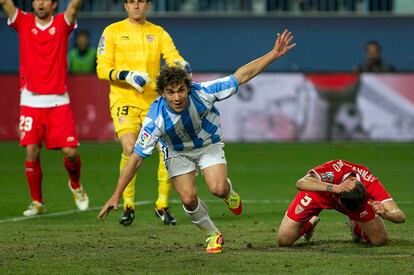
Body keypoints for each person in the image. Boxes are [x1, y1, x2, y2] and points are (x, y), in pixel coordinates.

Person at [98, 29, 296, 253]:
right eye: (171, 92)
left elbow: (241, 76)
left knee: (217, 188)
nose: (177, 97)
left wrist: (273, 54)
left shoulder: (203, 92)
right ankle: (213, 234)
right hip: (176, 152)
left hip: (207, 144)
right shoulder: (155, 119)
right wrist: (116, 195)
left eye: (181, 90)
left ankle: (228, 192)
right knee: (188, 199)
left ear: (188, 87)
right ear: (162, 93)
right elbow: (135, 158)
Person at [96, 0, 191, 227]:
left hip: (154, 102)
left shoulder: (158, 33)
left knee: (165, 148)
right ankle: (128, 205)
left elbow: (172, 56)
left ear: (148, 5)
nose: (136, 5)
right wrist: (126, 75)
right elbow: (101, 68)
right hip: (124, 100)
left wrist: (181, 63)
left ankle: (162, 204)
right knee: (130, 148)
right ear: (125, 6)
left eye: (140, 1)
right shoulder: (112, 32)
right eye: (131, 1)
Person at [0, 0, 89, 216]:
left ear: (54, 4)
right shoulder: (23, 21)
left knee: (70, 152)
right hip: (31, 99)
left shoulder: (62, 23)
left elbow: (75, 6)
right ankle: (37, 202)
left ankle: (75, 184)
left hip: (58, 100)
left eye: (45, 0)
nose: (40, 3)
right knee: (31, 150)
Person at [277, 159, 406, 247]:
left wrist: (386, 214)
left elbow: (400, 216)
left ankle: (356, 227)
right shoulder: (335, 169)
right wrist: (334, 188)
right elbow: (300, 183)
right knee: (284, 240)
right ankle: (310, 223)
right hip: (319, 192)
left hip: (356, 206)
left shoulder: (370, 183)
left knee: (380, 241)